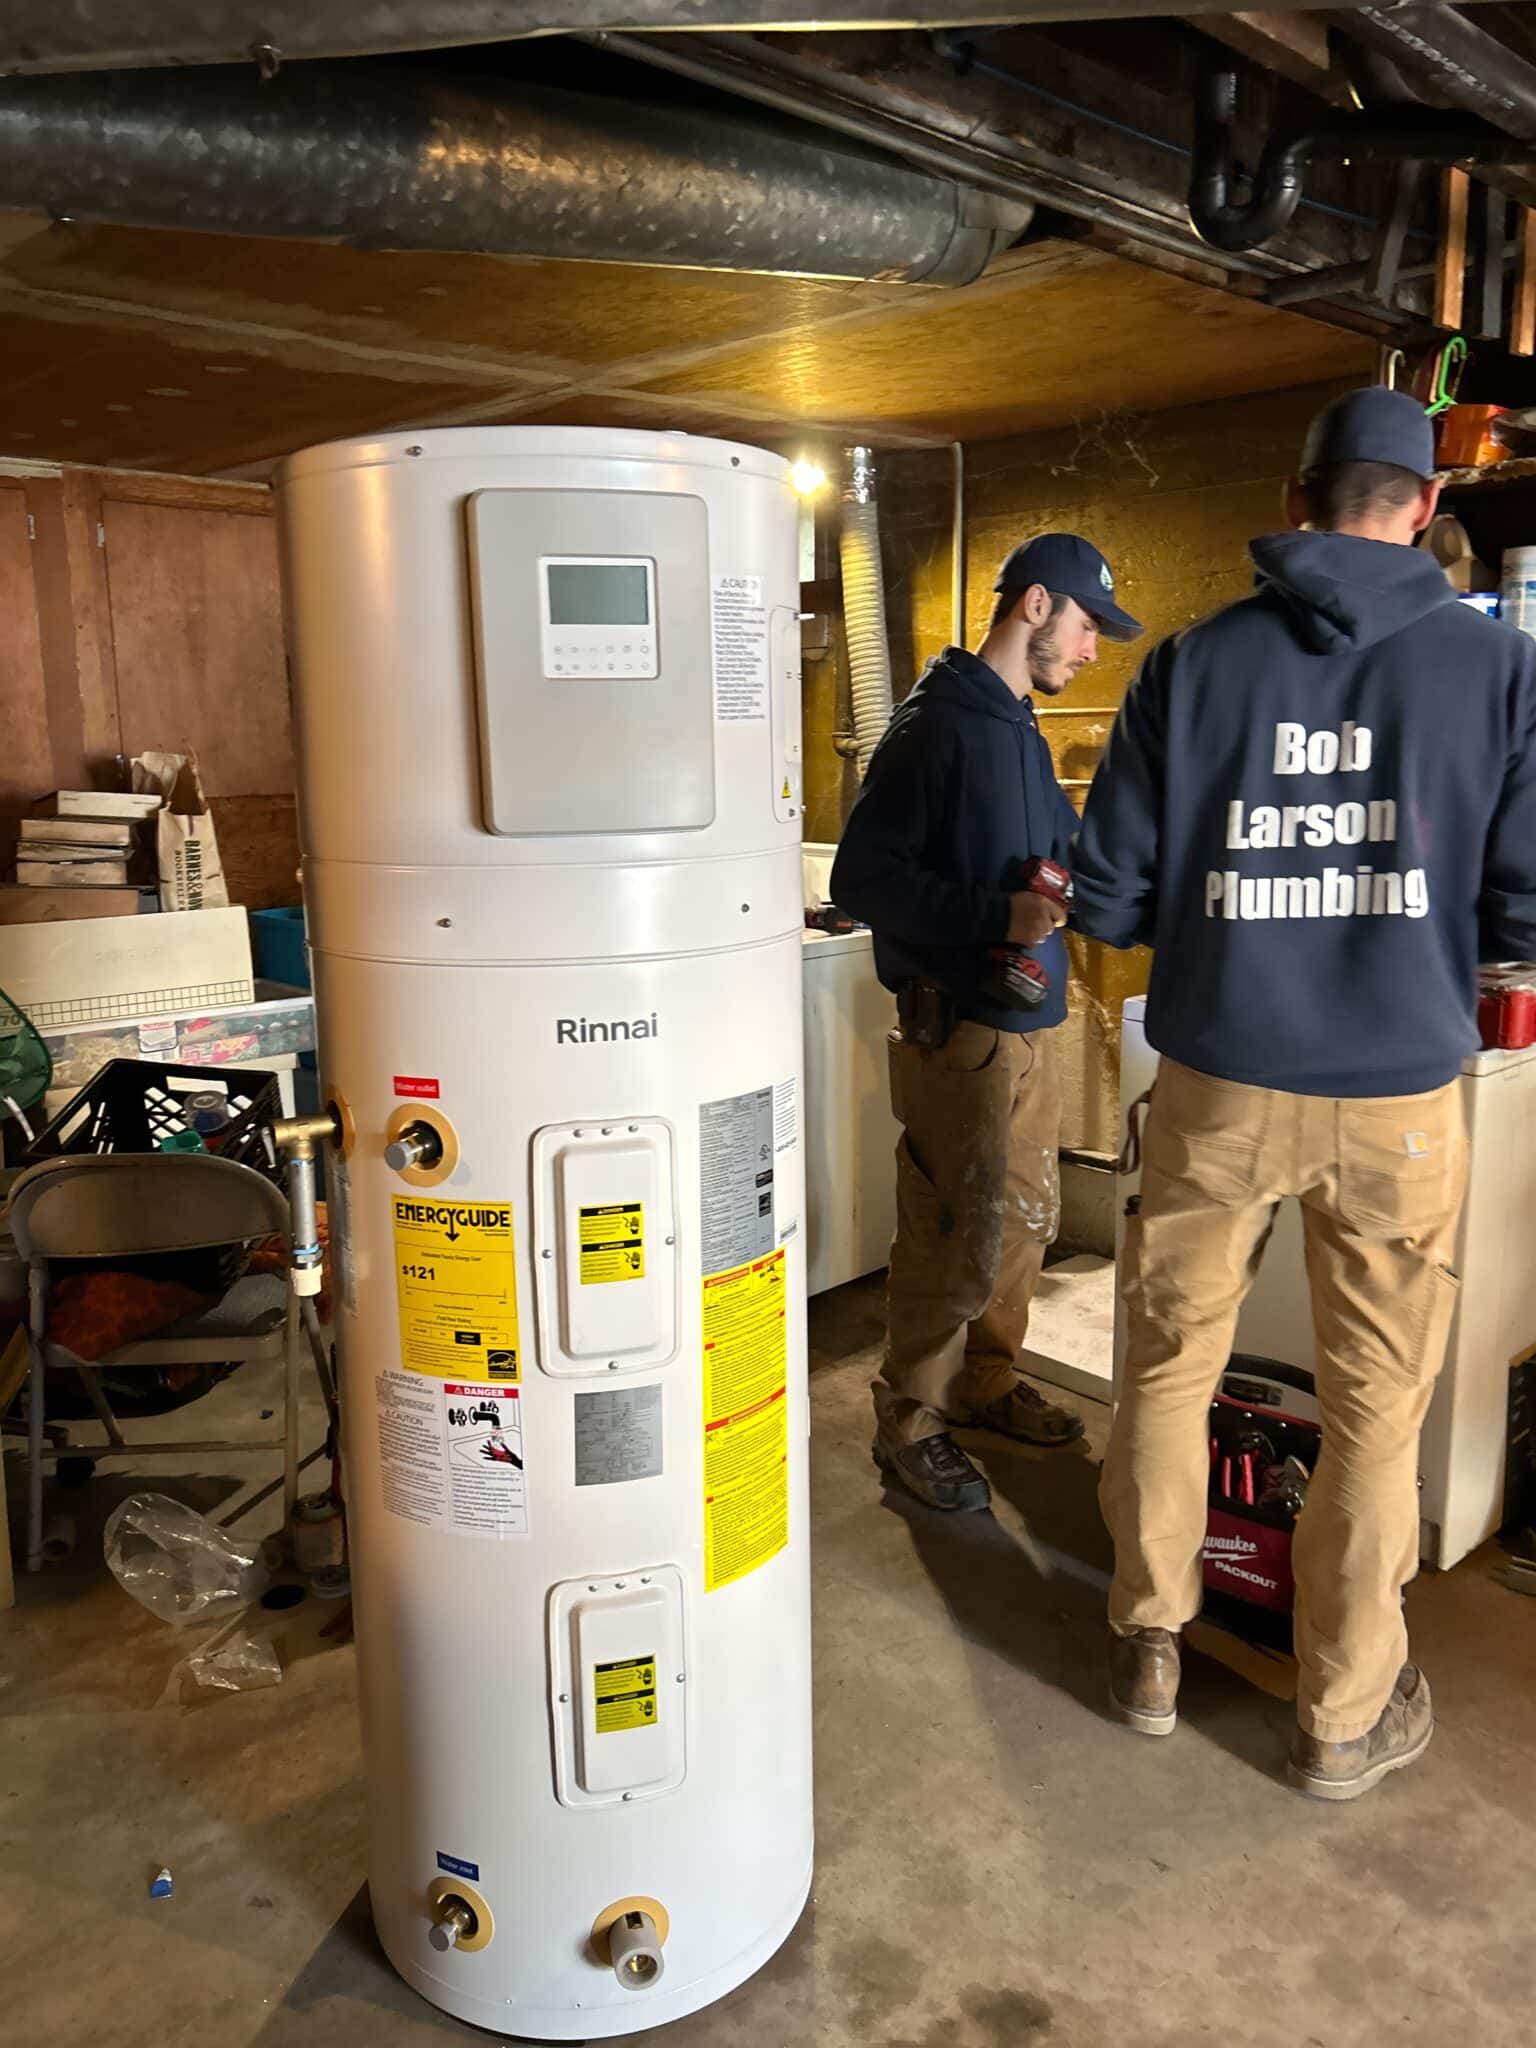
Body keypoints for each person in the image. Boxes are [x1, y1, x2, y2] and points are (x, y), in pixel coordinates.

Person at [1072, 386, 1536, 1798]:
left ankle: (1151, 1643)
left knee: (1166, 1368)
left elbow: (1107, 896)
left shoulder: (1193, 666)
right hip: (1398, 1096)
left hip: (1219, 1079)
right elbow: (1522, 911)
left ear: (1297, 496)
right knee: (1377, 1411)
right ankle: (1341, 1716)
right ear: (1426, 510)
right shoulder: (1498, 670)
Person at [832, 535, 1143, 1512]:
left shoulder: (1013, 724)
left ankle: (988, 1382)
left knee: (1022, 1226)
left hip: (1027, 1026)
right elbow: (861, 879)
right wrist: (994, 919)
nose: (1093, 650)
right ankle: (910, 1422)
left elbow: (1066, 859)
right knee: (952, 1231)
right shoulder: (937, 726)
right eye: (1088, 625)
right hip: (960, 1033)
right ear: (1037, 606)